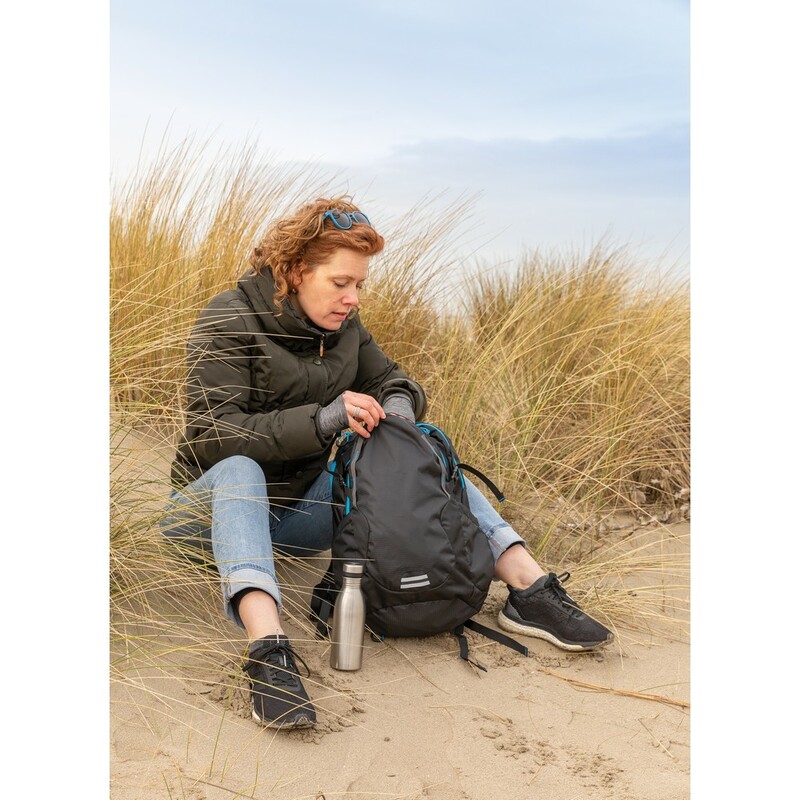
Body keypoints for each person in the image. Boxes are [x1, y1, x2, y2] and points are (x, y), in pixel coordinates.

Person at [161, 197, 612, 730]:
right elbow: (214, 436)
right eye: (340, 282)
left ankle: (527, 587)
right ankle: (268, 649)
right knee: (241, 469)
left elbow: (395, 381)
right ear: (295, 270)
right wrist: (324, 420)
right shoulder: (229, 317)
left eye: (359, 285)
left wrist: (397, 415)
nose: (352, 298)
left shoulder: (344, 327)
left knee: (419, 451)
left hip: (299, 518)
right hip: (204, 520)